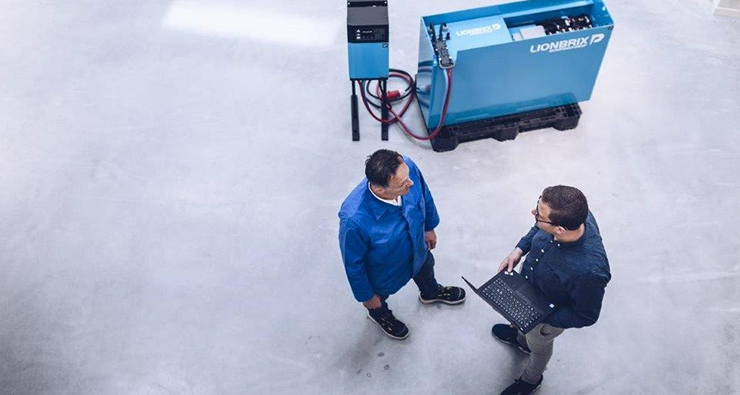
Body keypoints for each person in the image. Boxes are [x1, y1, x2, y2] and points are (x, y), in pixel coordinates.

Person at [492, 185, 611, 395]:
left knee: (538, 347)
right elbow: (537, 227)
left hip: (545, 318)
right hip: (528, 289)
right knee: (523, 330)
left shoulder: (589, 272)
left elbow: (586, 315)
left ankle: (531, 379)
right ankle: (520, 338)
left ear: (560, 230)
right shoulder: (572, 216)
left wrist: (539, 317)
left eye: (539, 213)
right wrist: (518, 250)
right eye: (538, 205)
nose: (533, 213)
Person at [338, 149, 465, 340]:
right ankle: (380, 315)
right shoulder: (354, 221)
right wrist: (367, 298)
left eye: (407, 176)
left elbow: (425, 194)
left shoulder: (407, 168)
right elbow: (353, 265)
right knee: (379, 300)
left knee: (426, 269)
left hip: (418, 250)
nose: (410, 182)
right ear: (380, 190)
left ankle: (431, 292)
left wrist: (429, 227)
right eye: (403, 183)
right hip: (385, 271)